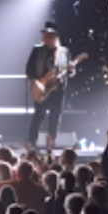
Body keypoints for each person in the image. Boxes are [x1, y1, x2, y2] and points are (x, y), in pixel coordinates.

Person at [24, 23, 72, 153]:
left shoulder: (64, 52)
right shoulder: (37, 50)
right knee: (38, 116)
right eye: (44, 35)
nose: (45, 38)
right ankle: (31, 142)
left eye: (48, 36)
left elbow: (69, 72)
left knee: (55, 117)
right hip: (42, 89)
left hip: (57, 90)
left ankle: (51, 142)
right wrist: (37, 83)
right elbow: (29, 69)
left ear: (54, 37)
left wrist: (71, 70)